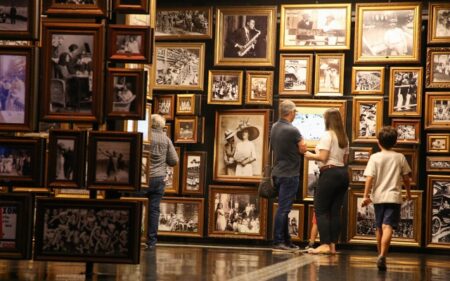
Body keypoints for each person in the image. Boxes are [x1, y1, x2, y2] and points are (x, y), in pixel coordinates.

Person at [361, 126, 411, 271]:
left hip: (378, 197)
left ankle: (379, 254)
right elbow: (406, 179)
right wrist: (408, 194)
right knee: (387, 226)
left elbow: (369, 178)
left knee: (379, 227)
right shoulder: (399, 157)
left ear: (378, 142)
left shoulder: (374, 157)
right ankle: (383, 255)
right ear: (395, 142)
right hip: (394, 197)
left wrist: (365, 196)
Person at [304, 108, 349, 254]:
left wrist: (310, 155)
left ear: (328, 120)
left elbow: (323, 158)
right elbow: (345, 160)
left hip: (329, 173)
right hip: (342, 173)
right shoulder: (344, 137)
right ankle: (332, 246)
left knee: (321, 210)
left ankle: (324, 244)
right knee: (334, 211)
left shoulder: (327, 135)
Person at [271, 100, 307, 251]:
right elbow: (303, 149)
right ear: (290, 112)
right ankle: (279, 241)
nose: (295, 115)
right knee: (284, 209)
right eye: (295, 112)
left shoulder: (274, 127)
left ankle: (286, 240)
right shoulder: (293, 130)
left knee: (283, 208)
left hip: (278, 173)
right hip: (290, 174)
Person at [140, 114, 178, 250]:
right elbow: (174, 161)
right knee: (154, 210)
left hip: (143, 179)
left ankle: (134, 238)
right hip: (159, 179)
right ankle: (151, 243)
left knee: (137, 208)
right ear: (162, 125)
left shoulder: (145, 137)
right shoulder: (166, 140)